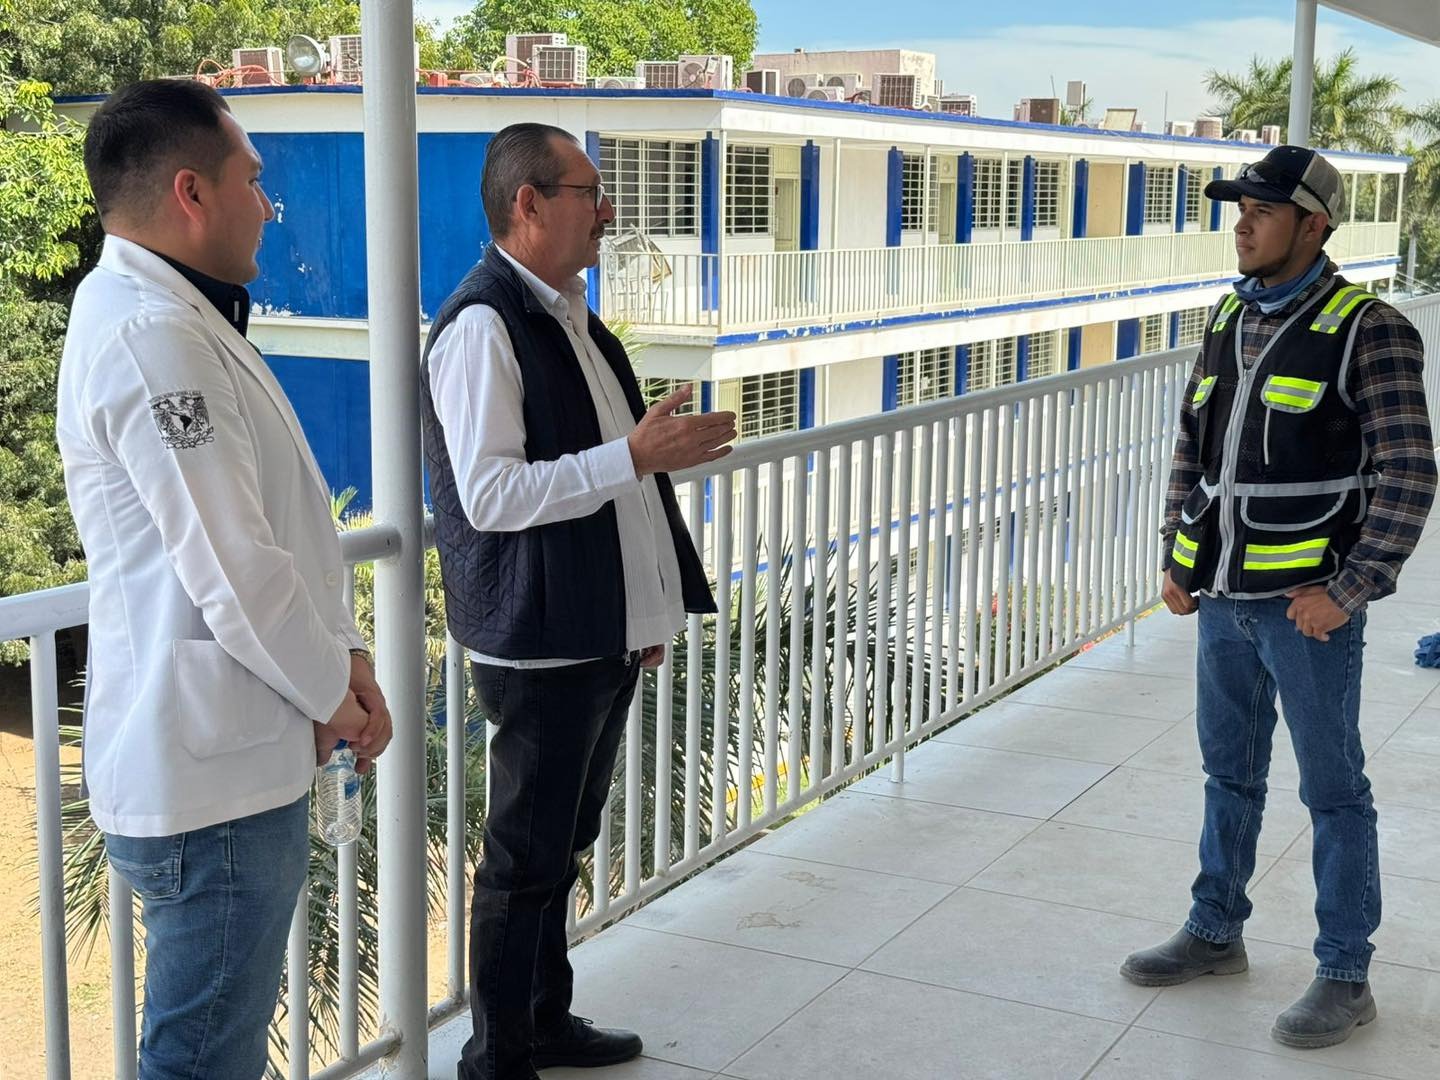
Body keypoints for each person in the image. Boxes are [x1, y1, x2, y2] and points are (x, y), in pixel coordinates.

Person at [56, 79, 393, 1079]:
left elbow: (276, 533)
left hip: (231, 756)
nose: (268, 205)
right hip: (213, 784)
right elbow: (234, 566)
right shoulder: (152, 337)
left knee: (214, 1048)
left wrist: (345, 655)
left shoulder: (176, 316)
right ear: (192, 193)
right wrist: (335, 693)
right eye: (254, 181)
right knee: (202, 1058)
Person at [420, 122, 736, 1080]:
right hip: (540, 644)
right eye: (589, 192)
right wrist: (635, 455)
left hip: (595, 633)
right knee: (522, 861)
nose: (608, 211)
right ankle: (497, 1057)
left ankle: (543, 1022)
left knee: (562, 845)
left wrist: (645, 614)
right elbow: (491, 495)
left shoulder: (571, 318)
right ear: (528, 203)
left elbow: (612, 484)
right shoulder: (483, 326)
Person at [1121, 145, 1436, 1048]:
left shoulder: (1369, 328)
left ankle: (1344, 973)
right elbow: (1194, 447)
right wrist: (1178, 556)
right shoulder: (1229, 314)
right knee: (1230, 775)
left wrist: (1351, 588)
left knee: (1334, 792)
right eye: (1240, 209)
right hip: (1220, 598)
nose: (1243, 225)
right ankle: (1214, 930)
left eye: (1262, 211)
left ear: (1313, 225)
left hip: (1307, 610)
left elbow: (1410, 473)